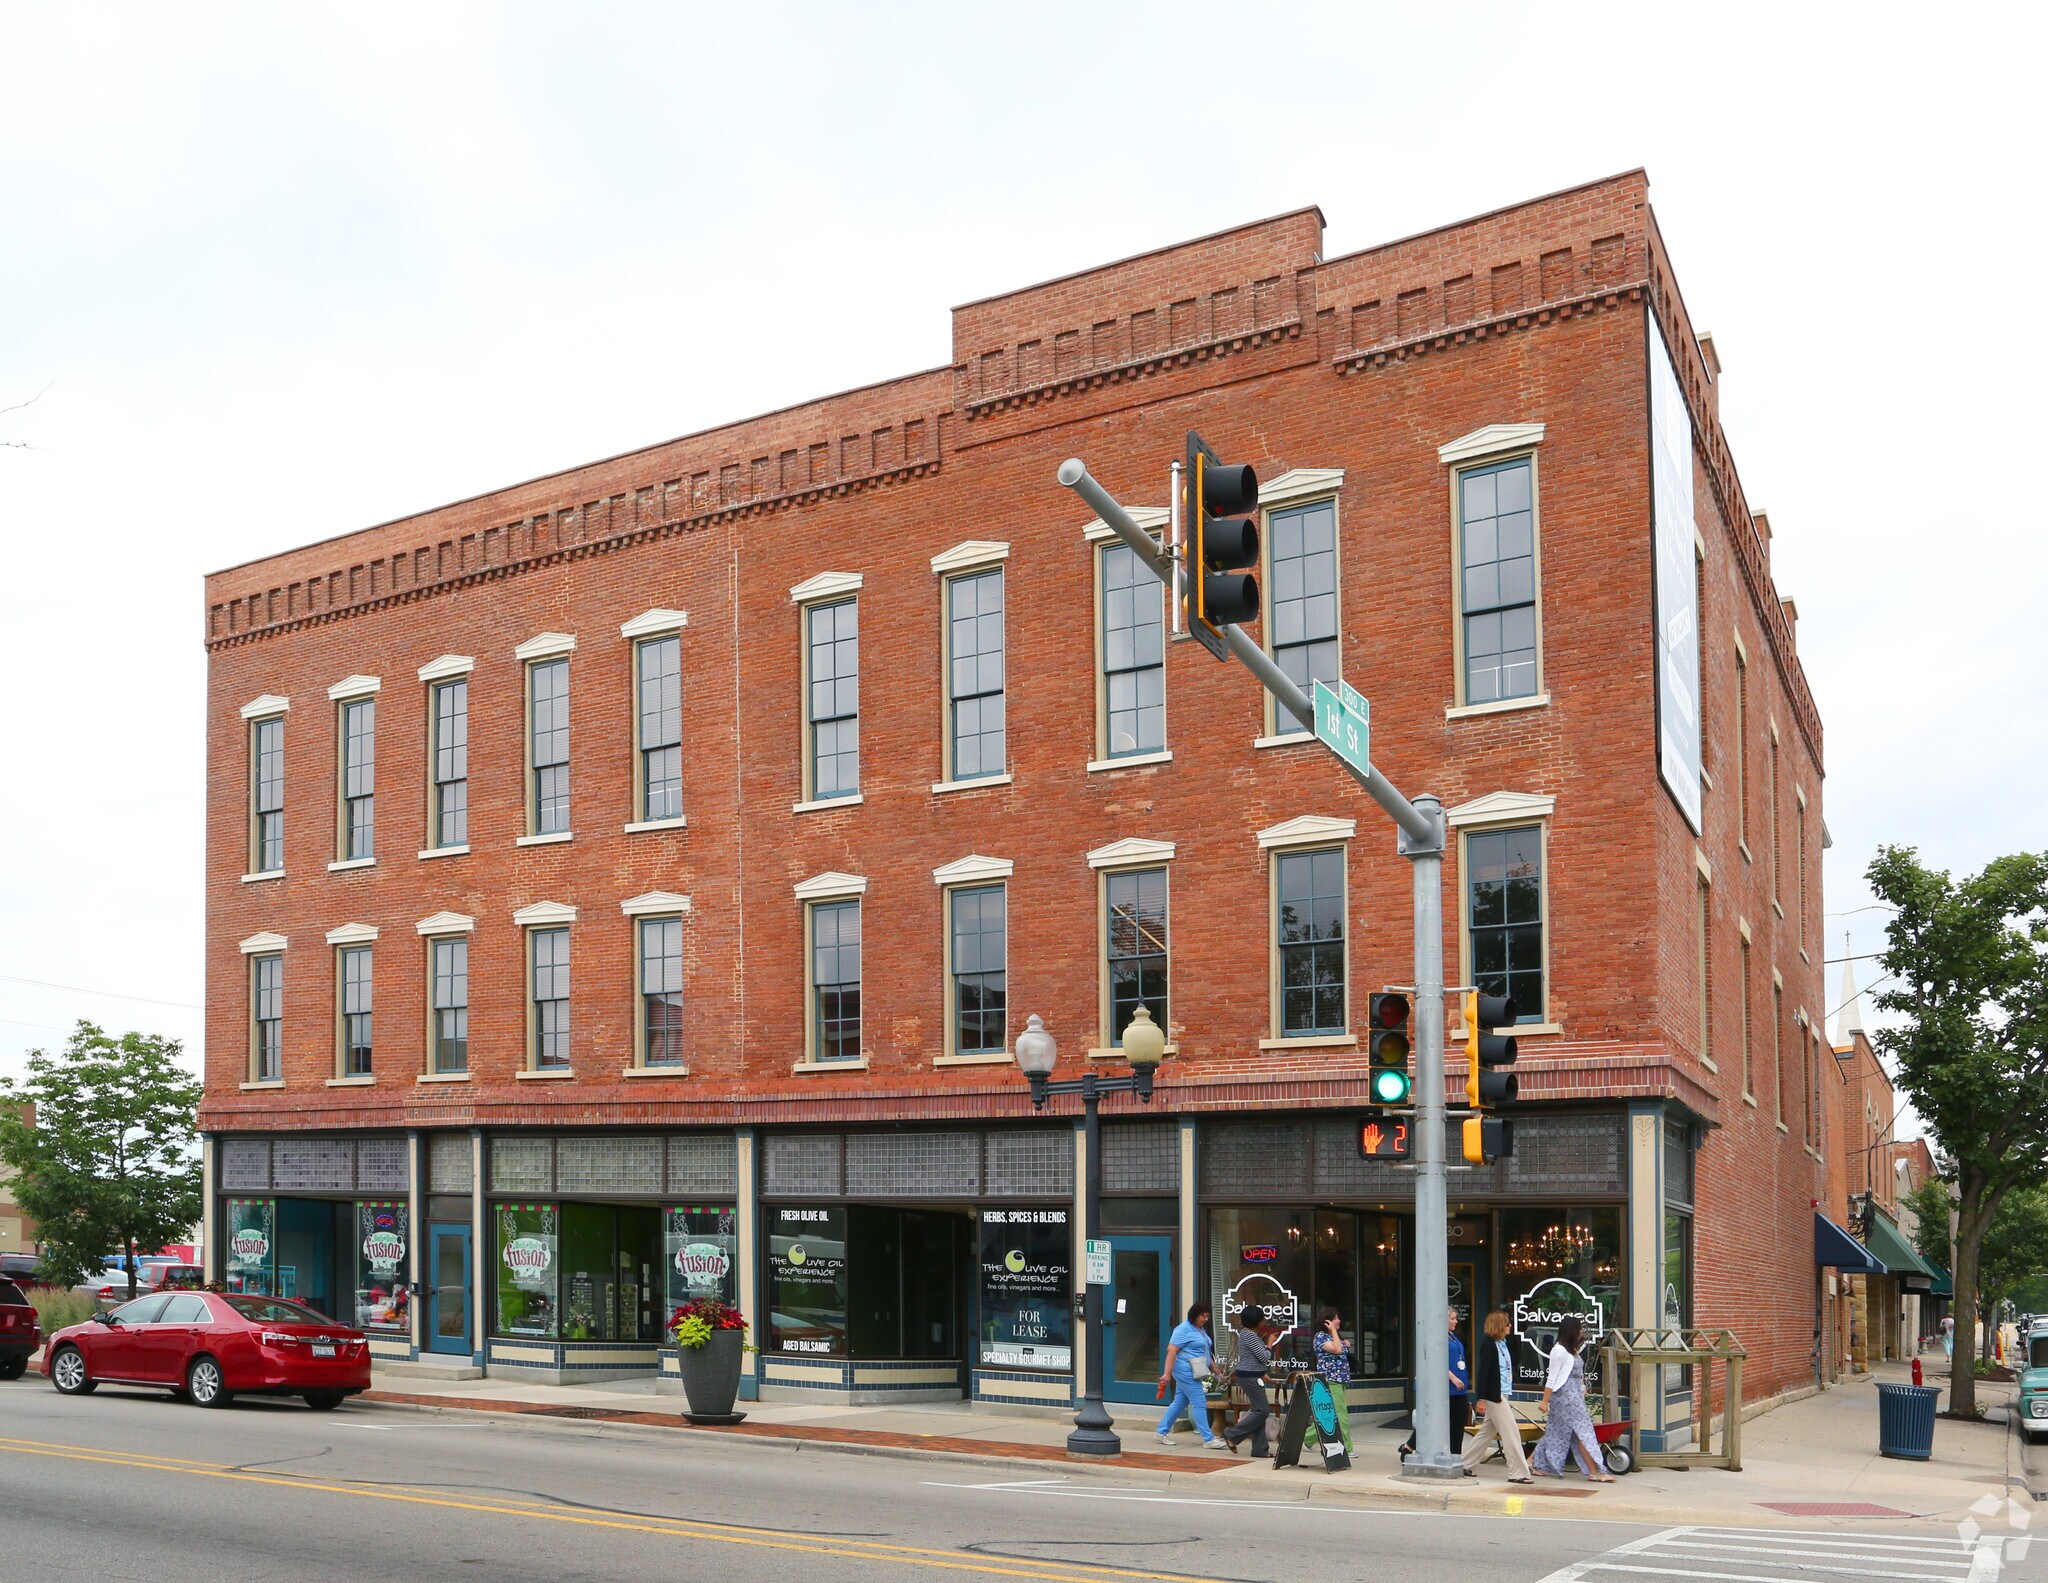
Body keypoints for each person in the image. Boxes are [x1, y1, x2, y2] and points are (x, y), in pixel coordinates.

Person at [1529, 1315, 1613, 1481]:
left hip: (1575, 1395)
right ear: (1571, 1331)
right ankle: (1594, 1471)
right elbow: (1551, 1377)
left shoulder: (1572, 1350)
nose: (1581, 1332)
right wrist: (1545, 1401)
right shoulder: (1558, 1351)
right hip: (1563, 1397)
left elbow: (1576, 1374)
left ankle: (1530, 1461)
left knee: (1557, 1431)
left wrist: (1582, 1388)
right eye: (1579, 1329)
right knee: (1583, 1431)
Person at [1461, 1309, 1534, 1483]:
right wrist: (1481, 1398)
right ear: (1499, 1326)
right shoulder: (1488, 1345)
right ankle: (1518, 1473)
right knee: (1511, 1433)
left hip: (1502, 1393)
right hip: (1495, 1396)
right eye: (1507, 1323)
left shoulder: (1503, 1344)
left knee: (1486, 1432)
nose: (1510, 1326)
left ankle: (1464, 1464)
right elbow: (1483, 1373)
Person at [1398, 1305, 1470, 1457]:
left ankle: (1456, 1455)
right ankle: (1410, 1446)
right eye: (1452, 1318)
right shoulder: (1435, 1337)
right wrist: (1452, 1377)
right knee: (1433, 1421)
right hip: (1443, 1387)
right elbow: (1435, 1360)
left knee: (1458, 1421)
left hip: (1459, 1389)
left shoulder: (1453, 1336)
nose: (1455, 1321)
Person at [1156, 1300, 1227, 1449]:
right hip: (1185, 1370)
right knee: (1199, 1402)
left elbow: (1205, 1351)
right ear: (1194, 1315)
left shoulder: (1200, 1329)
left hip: (1194, 1370)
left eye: (1207, 1316)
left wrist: (1215, 1369)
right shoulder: (1183, 1329)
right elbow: (1171, 1351)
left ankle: (1161, 1431)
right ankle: (1208, 1439)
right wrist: (1167, 1374)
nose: (1205, 1319)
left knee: (1180, 1402)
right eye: (1203, 1316)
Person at [1222, 1305, 1278, 1457]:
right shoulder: (1250, 1335)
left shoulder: (1247, 1334)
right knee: (1262, 1411)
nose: (1264, 1321)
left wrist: (1263, 1373)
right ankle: (1231, 1434)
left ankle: (1260, 1449)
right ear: (1257, 1321)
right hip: (1249, 1377)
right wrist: (1270, 1344)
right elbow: (1264, 1357)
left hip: (1253, 1376)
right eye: (1262, 1318)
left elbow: (1254, 1359)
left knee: (1258, 1411)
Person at [1310, 1306, 1355, 1458]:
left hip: (1341, 1379)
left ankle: (1306, 1438)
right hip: (1331, 1380)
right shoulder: (1321, 1337)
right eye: (1335, 1318)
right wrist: (1336, 1335)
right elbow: (1336, 1349)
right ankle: (1347, 1448)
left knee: (1330, 1413)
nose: (1338, 1321)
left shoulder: (1334, 1336)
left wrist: (1345, 1342)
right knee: (1340, 1413)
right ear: (1327, 1321)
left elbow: (1341, 1346)